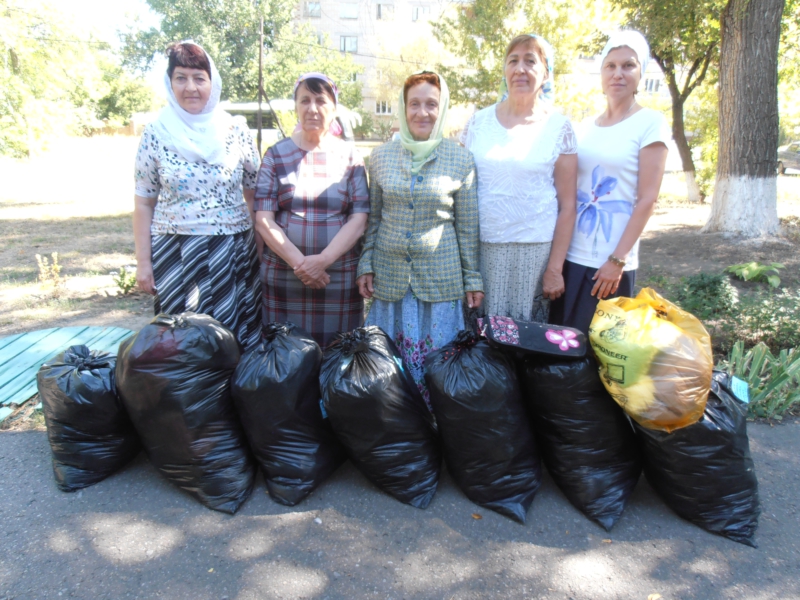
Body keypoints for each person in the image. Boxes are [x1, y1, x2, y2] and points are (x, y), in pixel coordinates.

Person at [357, 71, 483, 406]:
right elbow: (376, 217)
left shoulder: (460, 159)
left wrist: (473, 277)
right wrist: (366, 263)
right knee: (388, 373)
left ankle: (437, 431)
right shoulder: (381, 157)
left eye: (431, 104)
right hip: (390, 280)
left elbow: (467, 227)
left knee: (440, 370)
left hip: (440, 283)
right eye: (414, 104)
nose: (422, 112)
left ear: (442, 110)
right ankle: (399, 432)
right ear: (403, 107)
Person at [134, 41, 261, 350]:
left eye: (198, 78)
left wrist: (258, 254)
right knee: (179, 342)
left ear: (212, 82)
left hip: (230, 252)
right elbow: (143, 201)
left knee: (231, 335)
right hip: (175, 252)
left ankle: (230, 397)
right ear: (169, 81)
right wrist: (143, 263)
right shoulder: (156, 132)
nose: (190, 87)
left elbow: (254, 196)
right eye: (181, 77)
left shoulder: (236, 130)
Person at [549, 30, 669, 334]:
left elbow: (647, 200)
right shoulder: (584, 126)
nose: (618, 74)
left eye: (628, 65)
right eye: (610, 66)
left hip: (610, 265)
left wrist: (617, 260)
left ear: (641, 72)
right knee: (562, 351)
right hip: (571, 257)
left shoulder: (650, 124)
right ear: (601, 72)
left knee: (602, 354)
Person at [461, 34, 577, 324]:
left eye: (531, 61)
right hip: (481, 253)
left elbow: (568, 205)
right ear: (504, 69)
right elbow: (459, 192)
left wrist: (555, 268)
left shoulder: (559, 127)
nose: (520, 69)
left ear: (546, 72)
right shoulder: (478, 123)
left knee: (527, 342)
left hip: (534, 257)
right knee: (480, 343)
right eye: (513, 60)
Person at [254, 73, 369, 347]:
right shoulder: (275, 155)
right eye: (305, 100)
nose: (312, 108)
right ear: (295, 106)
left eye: (321, 100)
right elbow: (263, 220)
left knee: (339, 359)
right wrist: (301, 265)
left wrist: (322, 261)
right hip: (285, 279)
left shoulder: (351, 157)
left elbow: (359, 218)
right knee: (284, 361)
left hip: (337, 279)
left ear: (334, 109)